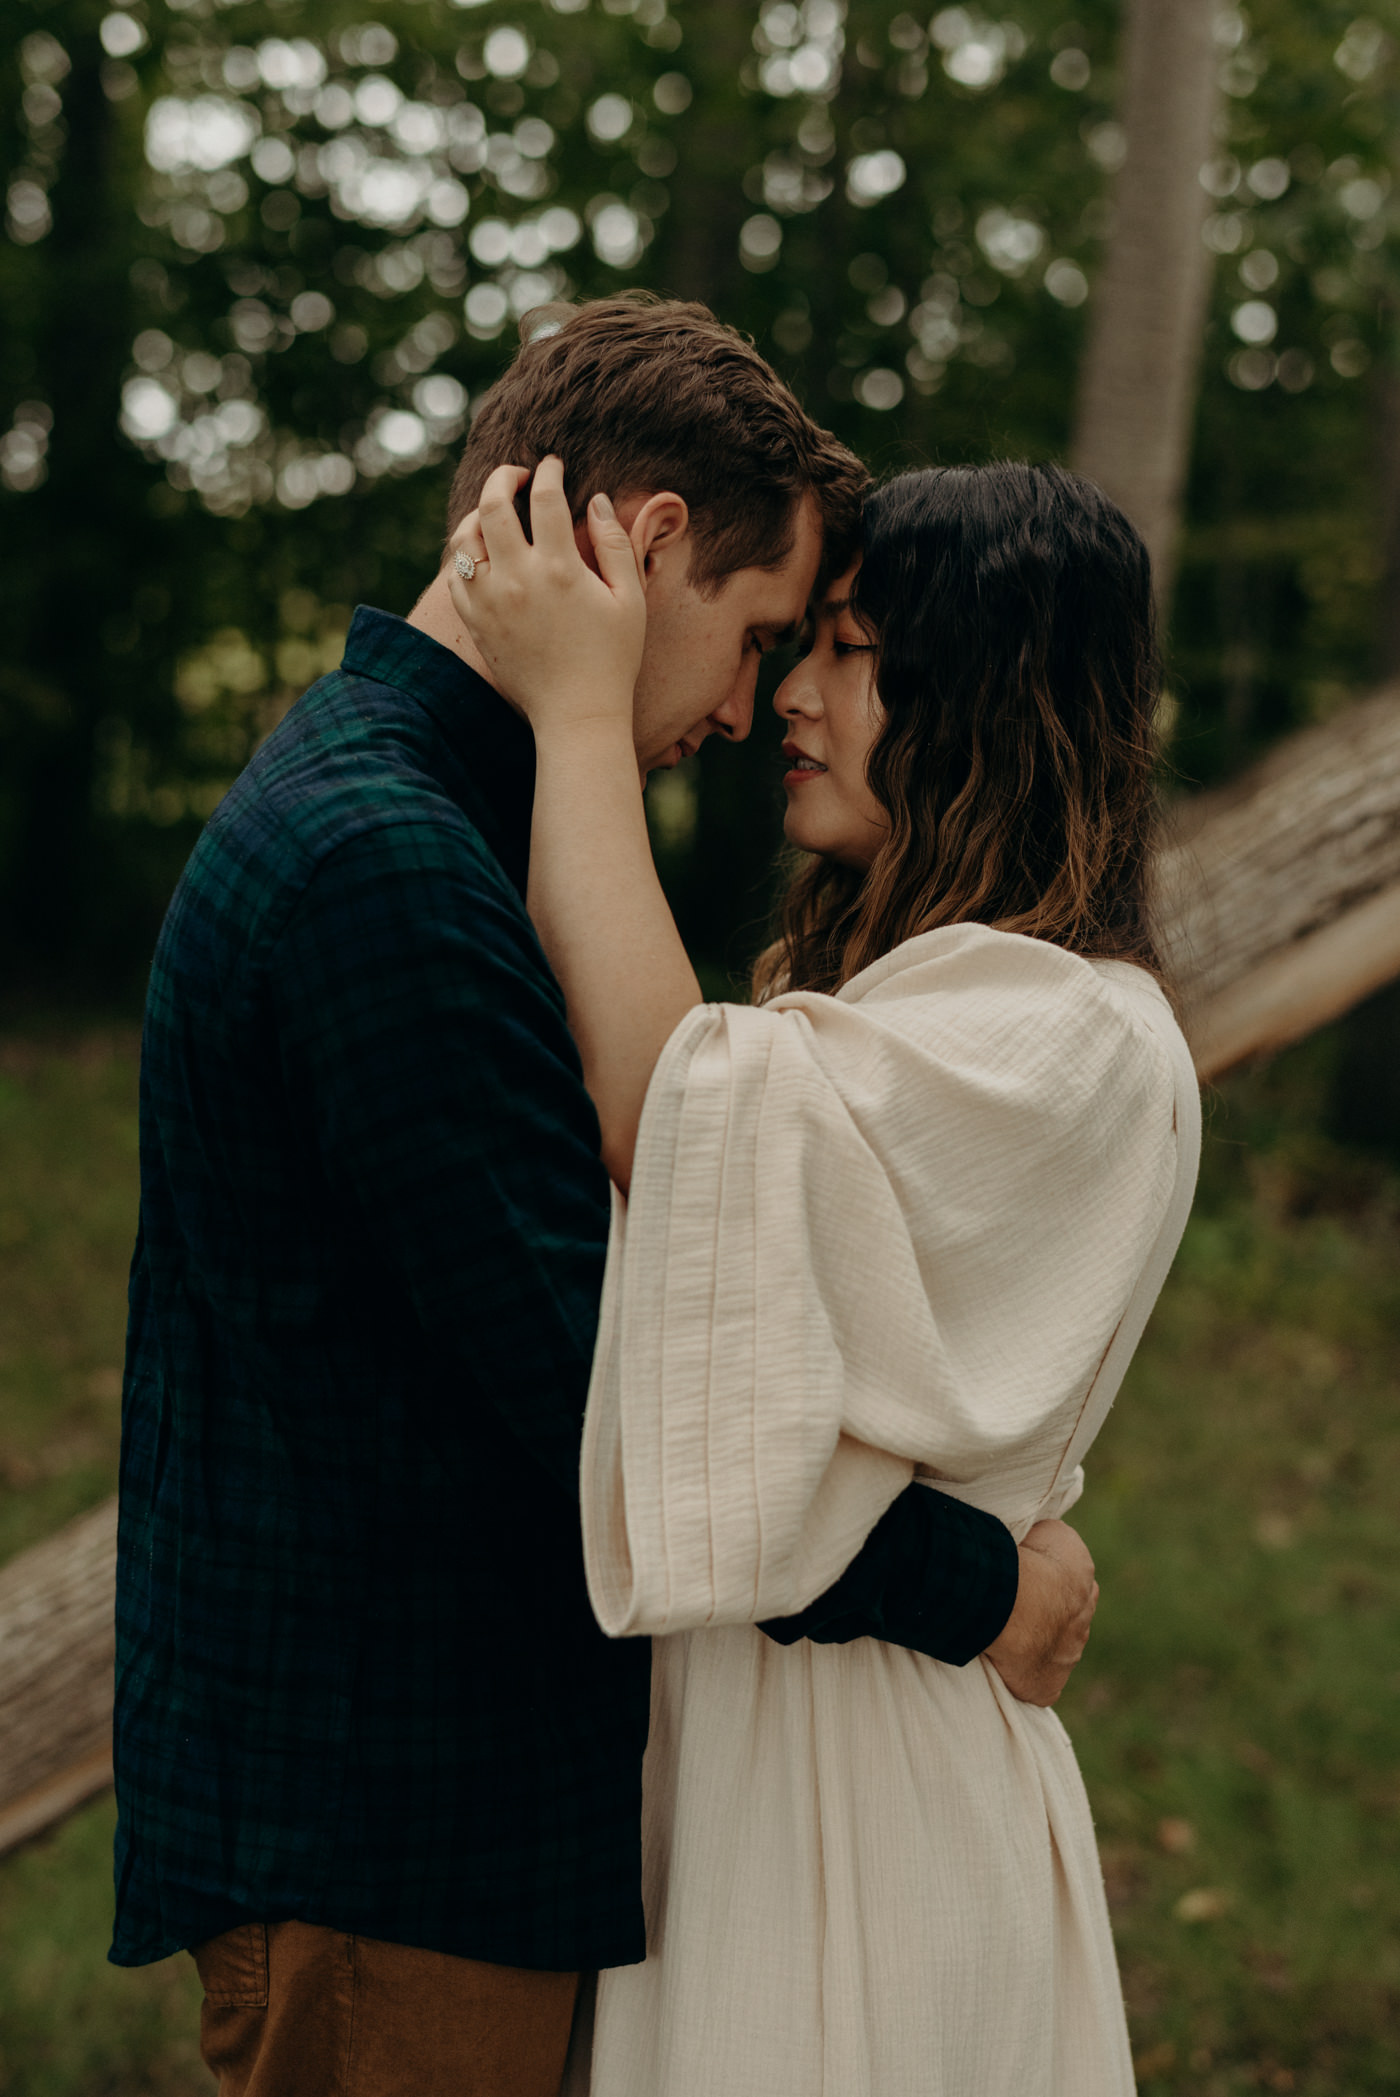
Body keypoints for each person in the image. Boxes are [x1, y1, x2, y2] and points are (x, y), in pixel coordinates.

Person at [111, 297, 1101, 2097]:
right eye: (753, 635)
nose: (747, 707)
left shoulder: (421, 821)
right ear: (644, 546)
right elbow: (626, 1389)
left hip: (425, 1824)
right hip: (388, 1839)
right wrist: (979, 1587)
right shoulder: (387, 867)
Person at [448, 451, 1202, 2096]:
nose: (792, 692)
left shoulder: (1068, 1031)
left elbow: (680, 1121)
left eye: (848, 649)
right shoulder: (926, 996)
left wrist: (583, 725)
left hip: (866, 1793)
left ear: (987, 691)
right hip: (743, 1762)